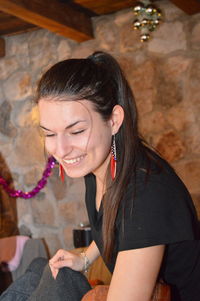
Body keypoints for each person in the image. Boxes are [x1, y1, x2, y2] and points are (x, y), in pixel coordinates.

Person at [1, 51, 200, 301]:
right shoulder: (103, 163)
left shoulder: (145, 192)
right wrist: (86, 257)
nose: (61, 150)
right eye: (50, 134)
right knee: (37, 270)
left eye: (77, 131)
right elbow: (115, 225)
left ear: (114, 120)